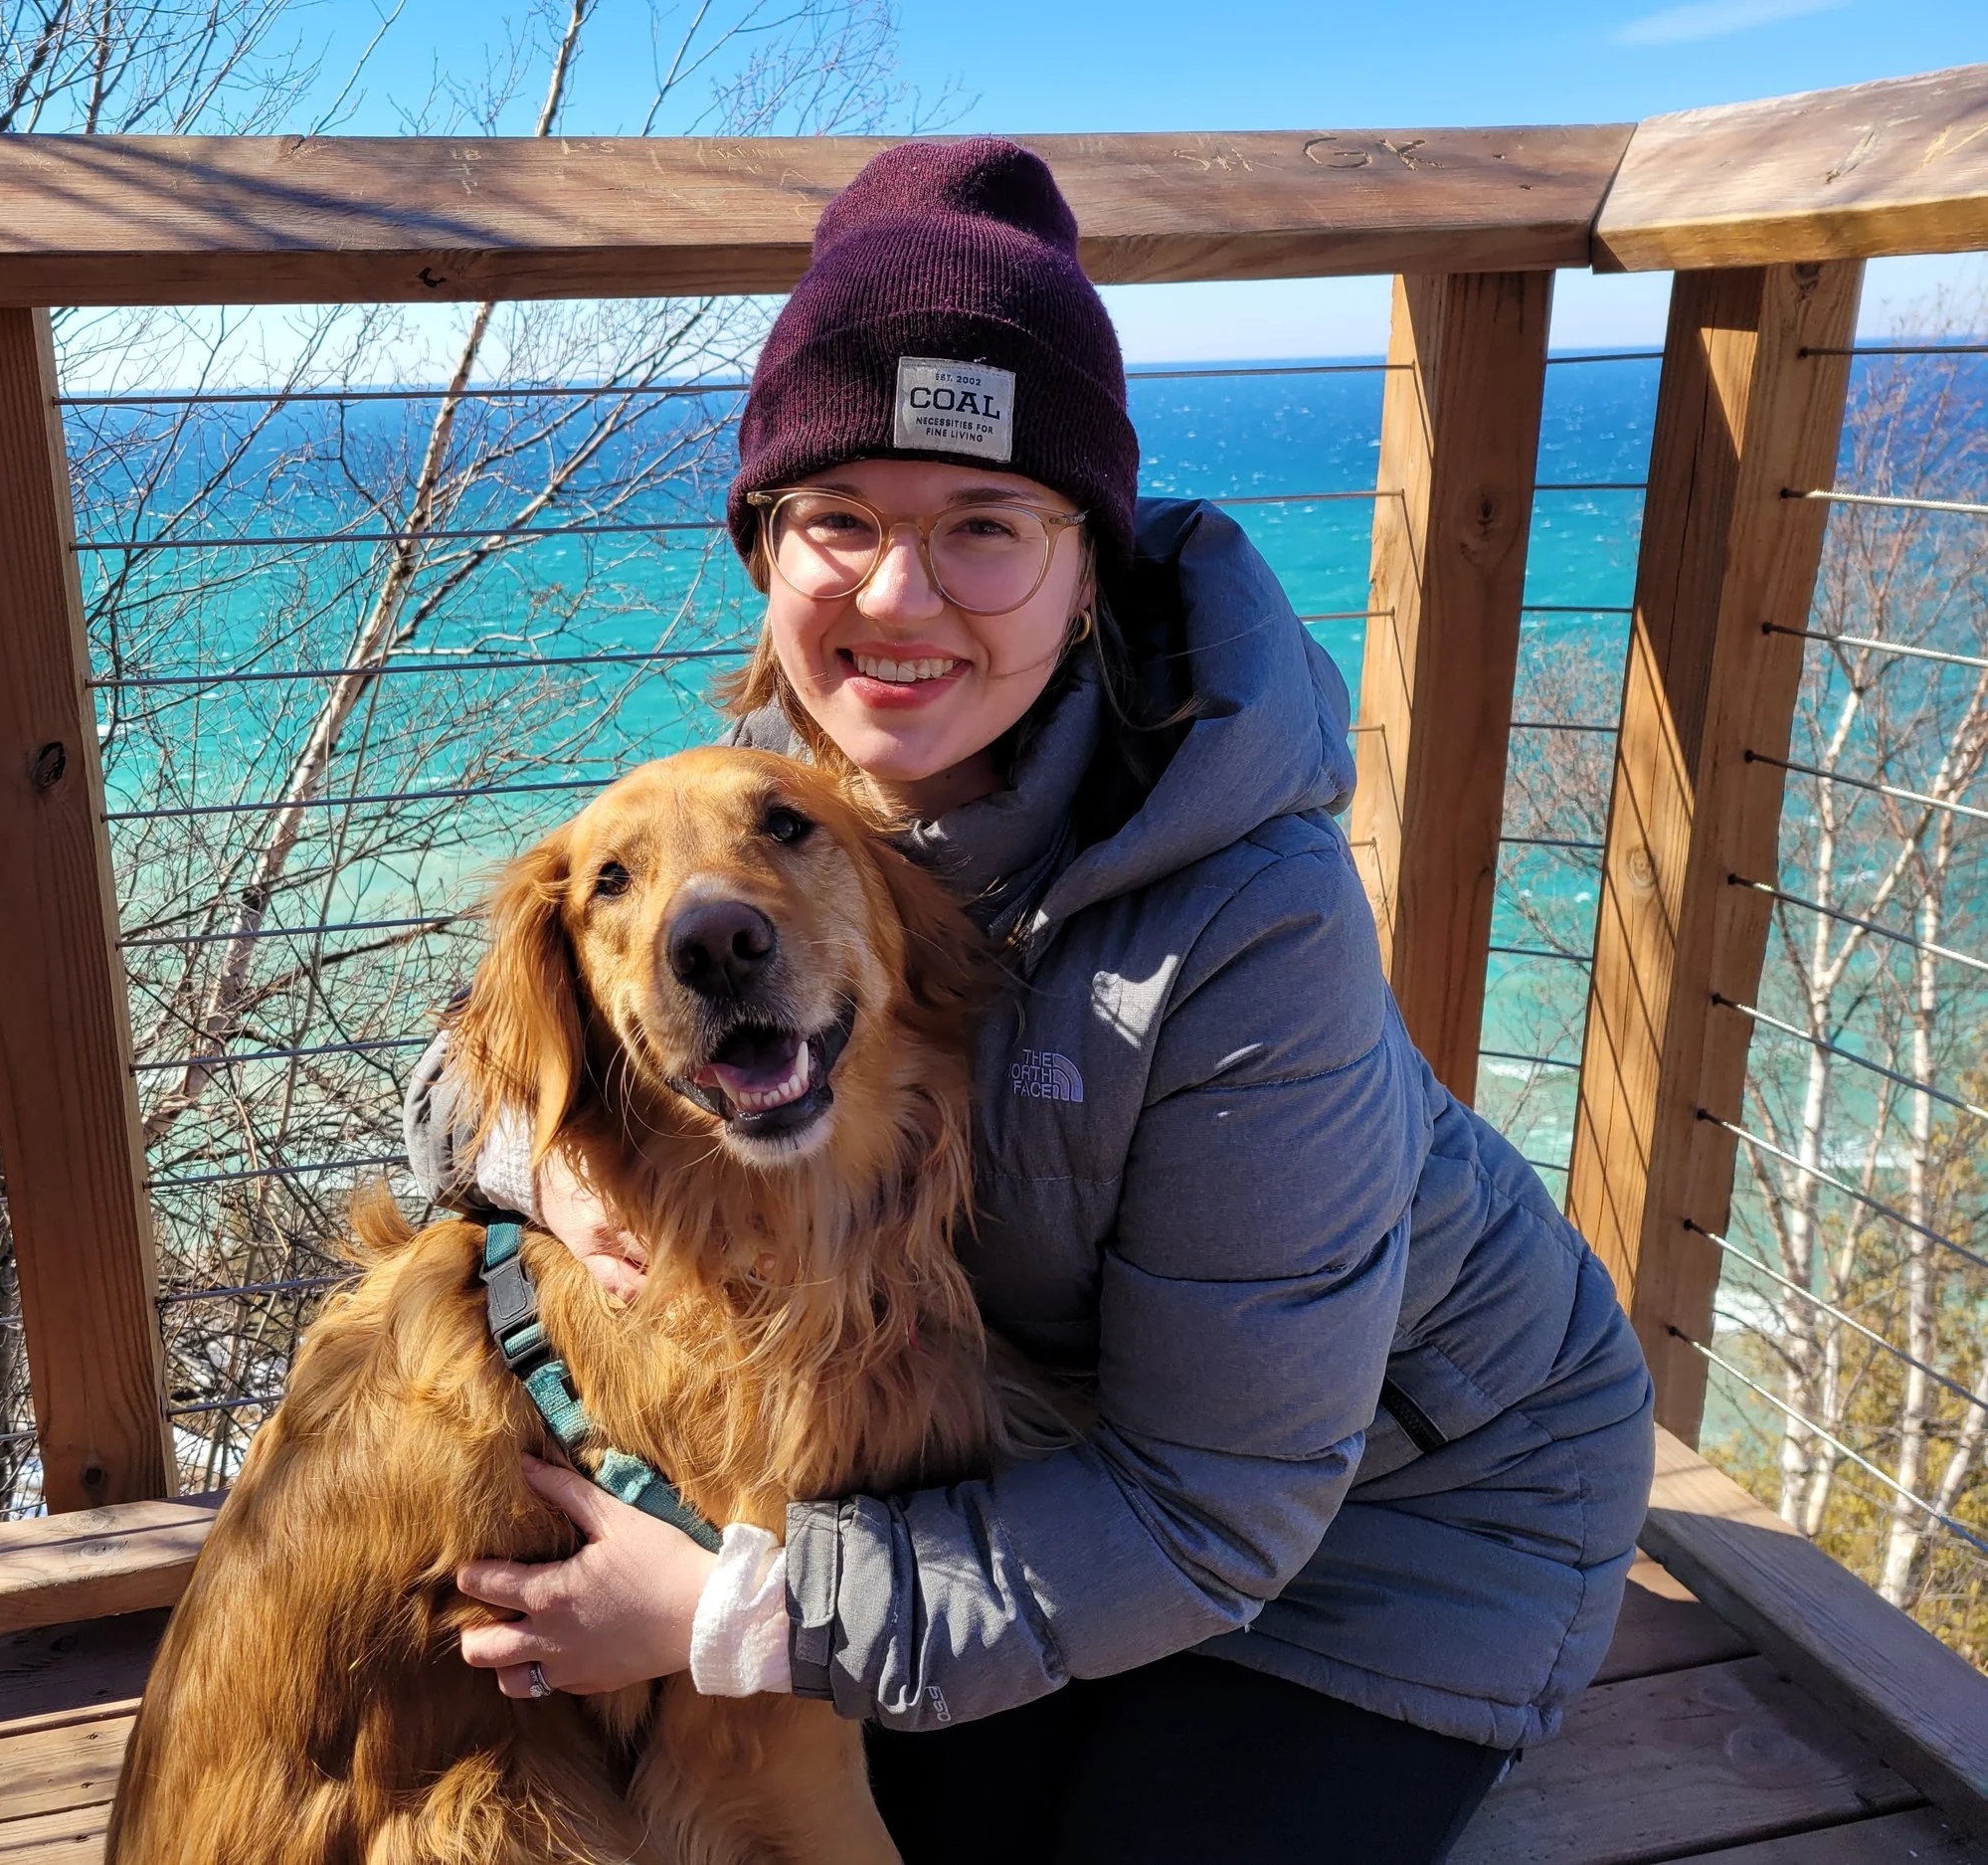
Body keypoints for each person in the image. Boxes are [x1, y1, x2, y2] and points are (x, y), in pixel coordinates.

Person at [404, 136, 1655, 1865]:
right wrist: (545, 1160)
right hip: (1036, 1485)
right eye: (840, 519)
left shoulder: (1251, 921)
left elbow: (1224, 1504)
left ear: (1089, 563)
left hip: (1396, 1519)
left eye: (983, 526)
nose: (899, 599)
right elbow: (495, 1052)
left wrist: (731, 1611)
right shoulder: (791, 810)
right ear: (768, 548)